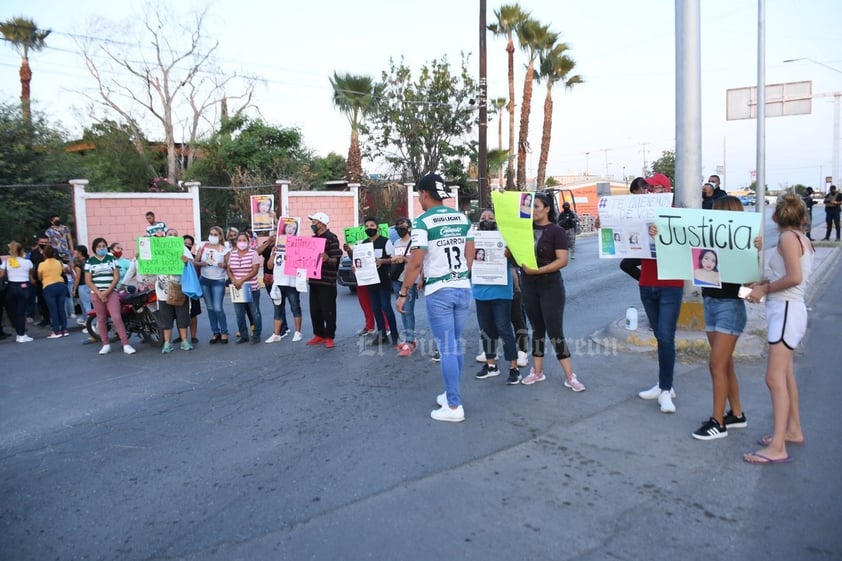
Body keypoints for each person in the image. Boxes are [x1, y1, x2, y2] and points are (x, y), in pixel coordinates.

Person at [743, 193, 814, 464]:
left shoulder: (787, 238)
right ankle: (792, 430)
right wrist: (760, 285)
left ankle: (778, 446)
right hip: (788, 311)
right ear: (803, 217)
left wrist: (765, 289)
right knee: (785, 376)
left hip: (785, 311)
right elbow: (787, 274)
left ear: (775, 217)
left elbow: (793, 277)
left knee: (774, 379)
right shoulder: (800, 238)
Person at [397, 173, 474, 423]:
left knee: (447, 346)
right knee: (455, 343)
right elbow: (470, 254)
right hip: (462, 286)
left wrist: (403, 292)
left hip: (439, 291)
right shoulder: (462, 217)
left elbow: (416, 260)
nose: (419, 198)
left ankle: (453, 406)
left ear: (425, 194)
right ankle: (451, 394)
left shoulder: (422, 222)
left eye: (419, 194)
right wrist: (459, 275)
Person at [692, 196, 753, 441]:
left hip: (730, 306)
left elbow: (750, 286)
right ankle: (736, 414)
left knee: (716, 365)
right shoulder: (711, 242)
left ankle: (718, 422)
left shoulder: (745, 244)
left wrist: (739, 291)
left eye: (716, 211)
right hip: (710, 303)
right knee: (725, 365)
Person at [625, 174, 683, 413]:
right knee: (660, 336)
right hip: (647, 283)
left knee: (666, 336)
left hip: (671, 284)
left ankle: (666, 389)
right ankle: (662, 384)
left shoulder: (678, 215)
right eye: (647, 188)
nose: (650, 192)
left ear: (666, 190)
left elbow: (686, 248)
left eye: (655, 188)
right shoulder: (641, 213)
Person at [518, 192, 586, 392]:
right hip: (529, 285)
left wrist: (538, 271)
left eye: (537, 206)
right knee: (537, 329)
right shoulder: (523, 230)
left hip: (551, 286)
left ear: (547, 208)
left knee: (555, 331)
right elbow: (516, 256)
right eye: (531, 207)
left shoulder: (556, 231)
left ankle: (570, 376)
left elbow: (562, 260)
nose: (533, 211)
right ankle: (537, 372)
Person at [472, 208, 521, 385]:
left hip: (501, 291)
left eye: (491, 218)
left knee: (504, 328)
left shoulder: (505, 238)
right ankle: (491, 365)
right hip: (480, 291)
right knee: (486, 330)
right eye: (483, 218)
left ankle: (513, 367)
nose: (487, 220)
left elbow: (518, 262)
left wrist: (511, 254)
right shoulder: (473, 240)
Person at [85, 237, 137, 355]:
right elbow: (88, 280)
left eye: (103, 246)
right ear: (94, 248)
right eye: (99, 246)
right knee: (102, 319)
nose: (101, 248)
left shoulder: (111, 259)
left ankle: (125, 344)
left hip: (111, 292)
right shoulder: (90, 262)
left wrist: (107, 291)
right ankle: (105, 344)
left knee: (116, 318)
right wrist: (99, 293)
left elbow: (116, 276)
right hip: (96, 294)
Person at [356, 216, 399, 347]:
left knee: (386, 307)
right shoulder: (363, 244)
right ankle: (381, 335)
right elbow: (360, 262)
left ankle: (395, 335)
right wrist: (356, 267)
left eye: (372, 226)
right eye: (367, 226)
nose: (369, 229)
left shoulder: (385, 242)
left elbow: (394, 259)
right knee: (375, 308)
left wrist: (382, 261)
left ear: (378, 228)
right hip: (370, 281)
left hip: (383, 280)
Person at [306, 212, 342, 348]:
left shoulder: (332, 238)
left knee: (328, 310)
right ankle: (319, 334)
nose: (312, 225)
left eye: (314, 222)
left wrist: (327, 258)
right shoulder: (313, 239)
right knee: (315, 310)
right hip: (314, 280)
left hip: (327, 281)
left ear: (321, 223)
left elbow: (336, 261)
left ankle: (329, 336)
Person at [156, 238, 193, 354]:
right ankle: (167, 343)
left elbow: (191, 264)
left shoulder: (183, 249)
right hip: (163, 292)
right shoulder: (157, 252)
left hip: (180, 289)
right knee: (166, 318)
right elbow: (148, 269)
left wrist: (186, 262)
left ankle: (184, 341)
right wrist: (140, 259)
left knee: (182, 316)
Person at [194, 226, 230, 344]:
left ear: (220, 236)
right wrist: (201, 263)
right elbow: (195, 261)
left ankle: (224, 332)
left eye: (215, 234)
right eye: (211, 234)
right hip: (205, 280)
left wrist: (223, 265)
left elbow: (228, 265)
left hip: (218, 281)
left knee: (218, 308)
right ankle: (215, 332)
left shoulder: (224, 249)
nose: (212, 236)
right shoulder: (203, 247)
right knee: (210, 308)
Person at [226, 232, 262, 344]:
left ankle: (256, 334)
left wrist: (241, 280)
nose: (241, 242)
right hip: (237, 288)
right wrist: (233, 280)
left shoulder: (253, 253)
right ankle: (243, 335)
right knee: (239, 313)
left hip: (251, 287)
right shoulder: (232, 254)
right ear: (236, 242)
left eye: (244, 240)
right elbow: (229, 269)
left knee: (254, 312)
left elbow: (255, 270)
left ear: (248, 241)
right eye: (239, 240)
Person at [390, 217, 419, 357]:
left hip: (410, 281)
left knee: (408, 311)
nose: (400, 228)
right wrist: (394, 259)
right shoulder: (396, 242)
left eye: (403, 226)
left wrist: (404, 259)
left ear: (409, 228)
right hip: (397, 279)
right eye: (398, 226)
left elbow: (417, 261)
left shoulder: (414, 242)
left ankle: (410, 341)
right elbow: (393, 258)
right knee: (401, 309)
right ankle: (409, 339)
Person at [265, 240, 304, 343]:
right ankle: (276, 334)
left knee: (295, 307)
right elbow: (269, 266)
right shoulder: (276, 250)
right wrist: (273, 254)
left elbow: (302, 263)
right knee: (278, 309)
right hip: (278, 283)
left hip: (292, 283)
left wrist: (291, 258)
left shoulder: (296, 249)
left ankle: (298, 332)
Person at [2, 241, 36, 342]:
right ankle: (21, 334)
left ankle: (18, 332)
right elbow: (31, 273)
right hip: (24, 286)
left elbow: (2, 274)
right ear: (21, 251)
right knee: (21, 312)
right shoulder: (27, 262)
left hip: (12, 287)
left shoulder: (7, 262)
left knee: (14, 312)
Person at [38, 245, 70, 338]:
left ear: (44, 254)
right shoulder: (59, 262)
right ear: (54, 253)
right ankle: (64, 329)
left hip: (49, 286)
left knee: (53, 310)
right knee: (61, 309)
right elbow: (64, 271)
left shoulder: (42, 264)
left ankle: (56, 331)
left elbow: (40, 277)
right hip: (61, 285)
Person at [181, 234, 201, 344]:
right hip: (180, 288)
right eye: (185, 244)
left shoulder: (192, 257)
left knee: (193, 313)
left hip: (192, 287)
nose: (188, 245)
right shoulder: (175, 257)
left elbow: (197, 265)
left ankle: (193, 336)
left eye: (190, 244)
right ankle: (182, 336)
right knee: (181, 314)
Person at [73, 245, 92, 325]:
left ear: (80, 252)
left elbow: (78, 277)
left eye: (76, 251)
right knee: (84, 303)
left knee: (86, 305)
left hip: (82, 285)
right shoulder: (89, 261)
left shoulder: (78, 263)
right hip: (90, 284)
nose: (74, 252)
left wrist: (74, 288)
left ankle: (90, 324)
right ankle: (85, 320)